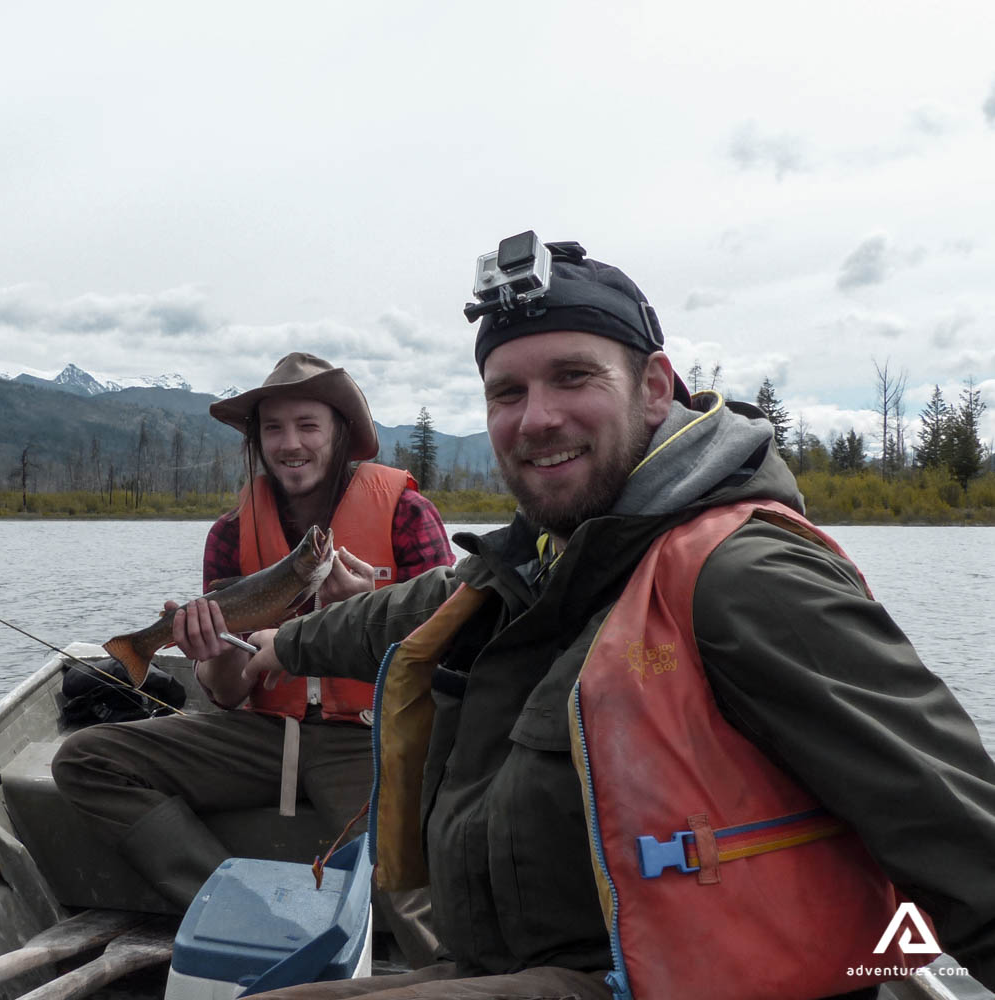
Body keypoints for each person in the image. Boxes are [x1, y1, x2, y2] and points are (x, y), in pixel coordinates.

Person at [237, 237, 995, 999]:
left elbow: (964, 838)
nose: (536, 418)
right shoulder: (544, 559)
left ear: (656, 388)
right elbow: (406, 611)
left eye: (573, 377)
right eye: (507, 393)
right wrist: (278, 644)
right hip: (521, 968)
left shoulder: (745, 577)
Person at [53, 352, 455, 966]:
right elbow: (225, 692)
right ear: (257, 441)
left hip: (368, 737)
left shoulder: (405, 512)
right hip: (261, 732)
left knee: (413, 891)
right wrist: (209, 651)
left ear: (340, 432)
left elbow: (451, 655)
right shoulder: (229, 534)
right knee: (85, 760)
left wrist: (365, 615)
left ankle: (452, 974)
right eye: (273, 428)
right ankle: (244, 910)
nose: (290, 444)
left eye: (308, 425)